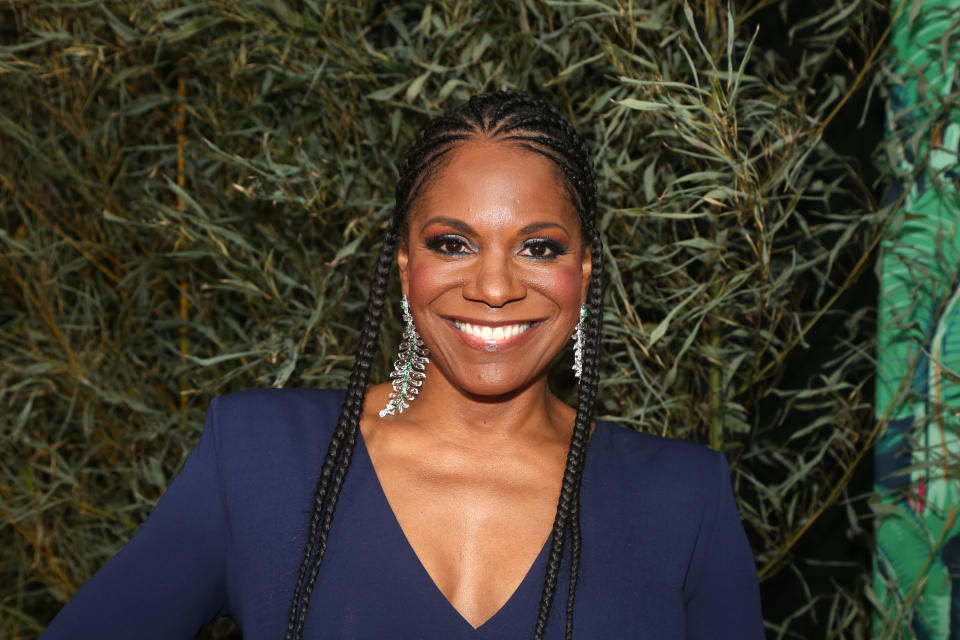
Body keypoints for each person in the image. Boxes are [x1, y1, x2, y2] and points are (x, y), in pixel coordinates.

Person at [40, 91, 764, 639]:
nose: (493, 285)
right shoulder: (260, 456)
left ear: (586, 270)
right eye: (453, 243)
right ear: (404, 262)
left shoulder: (683, 501)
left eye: (539, 247)